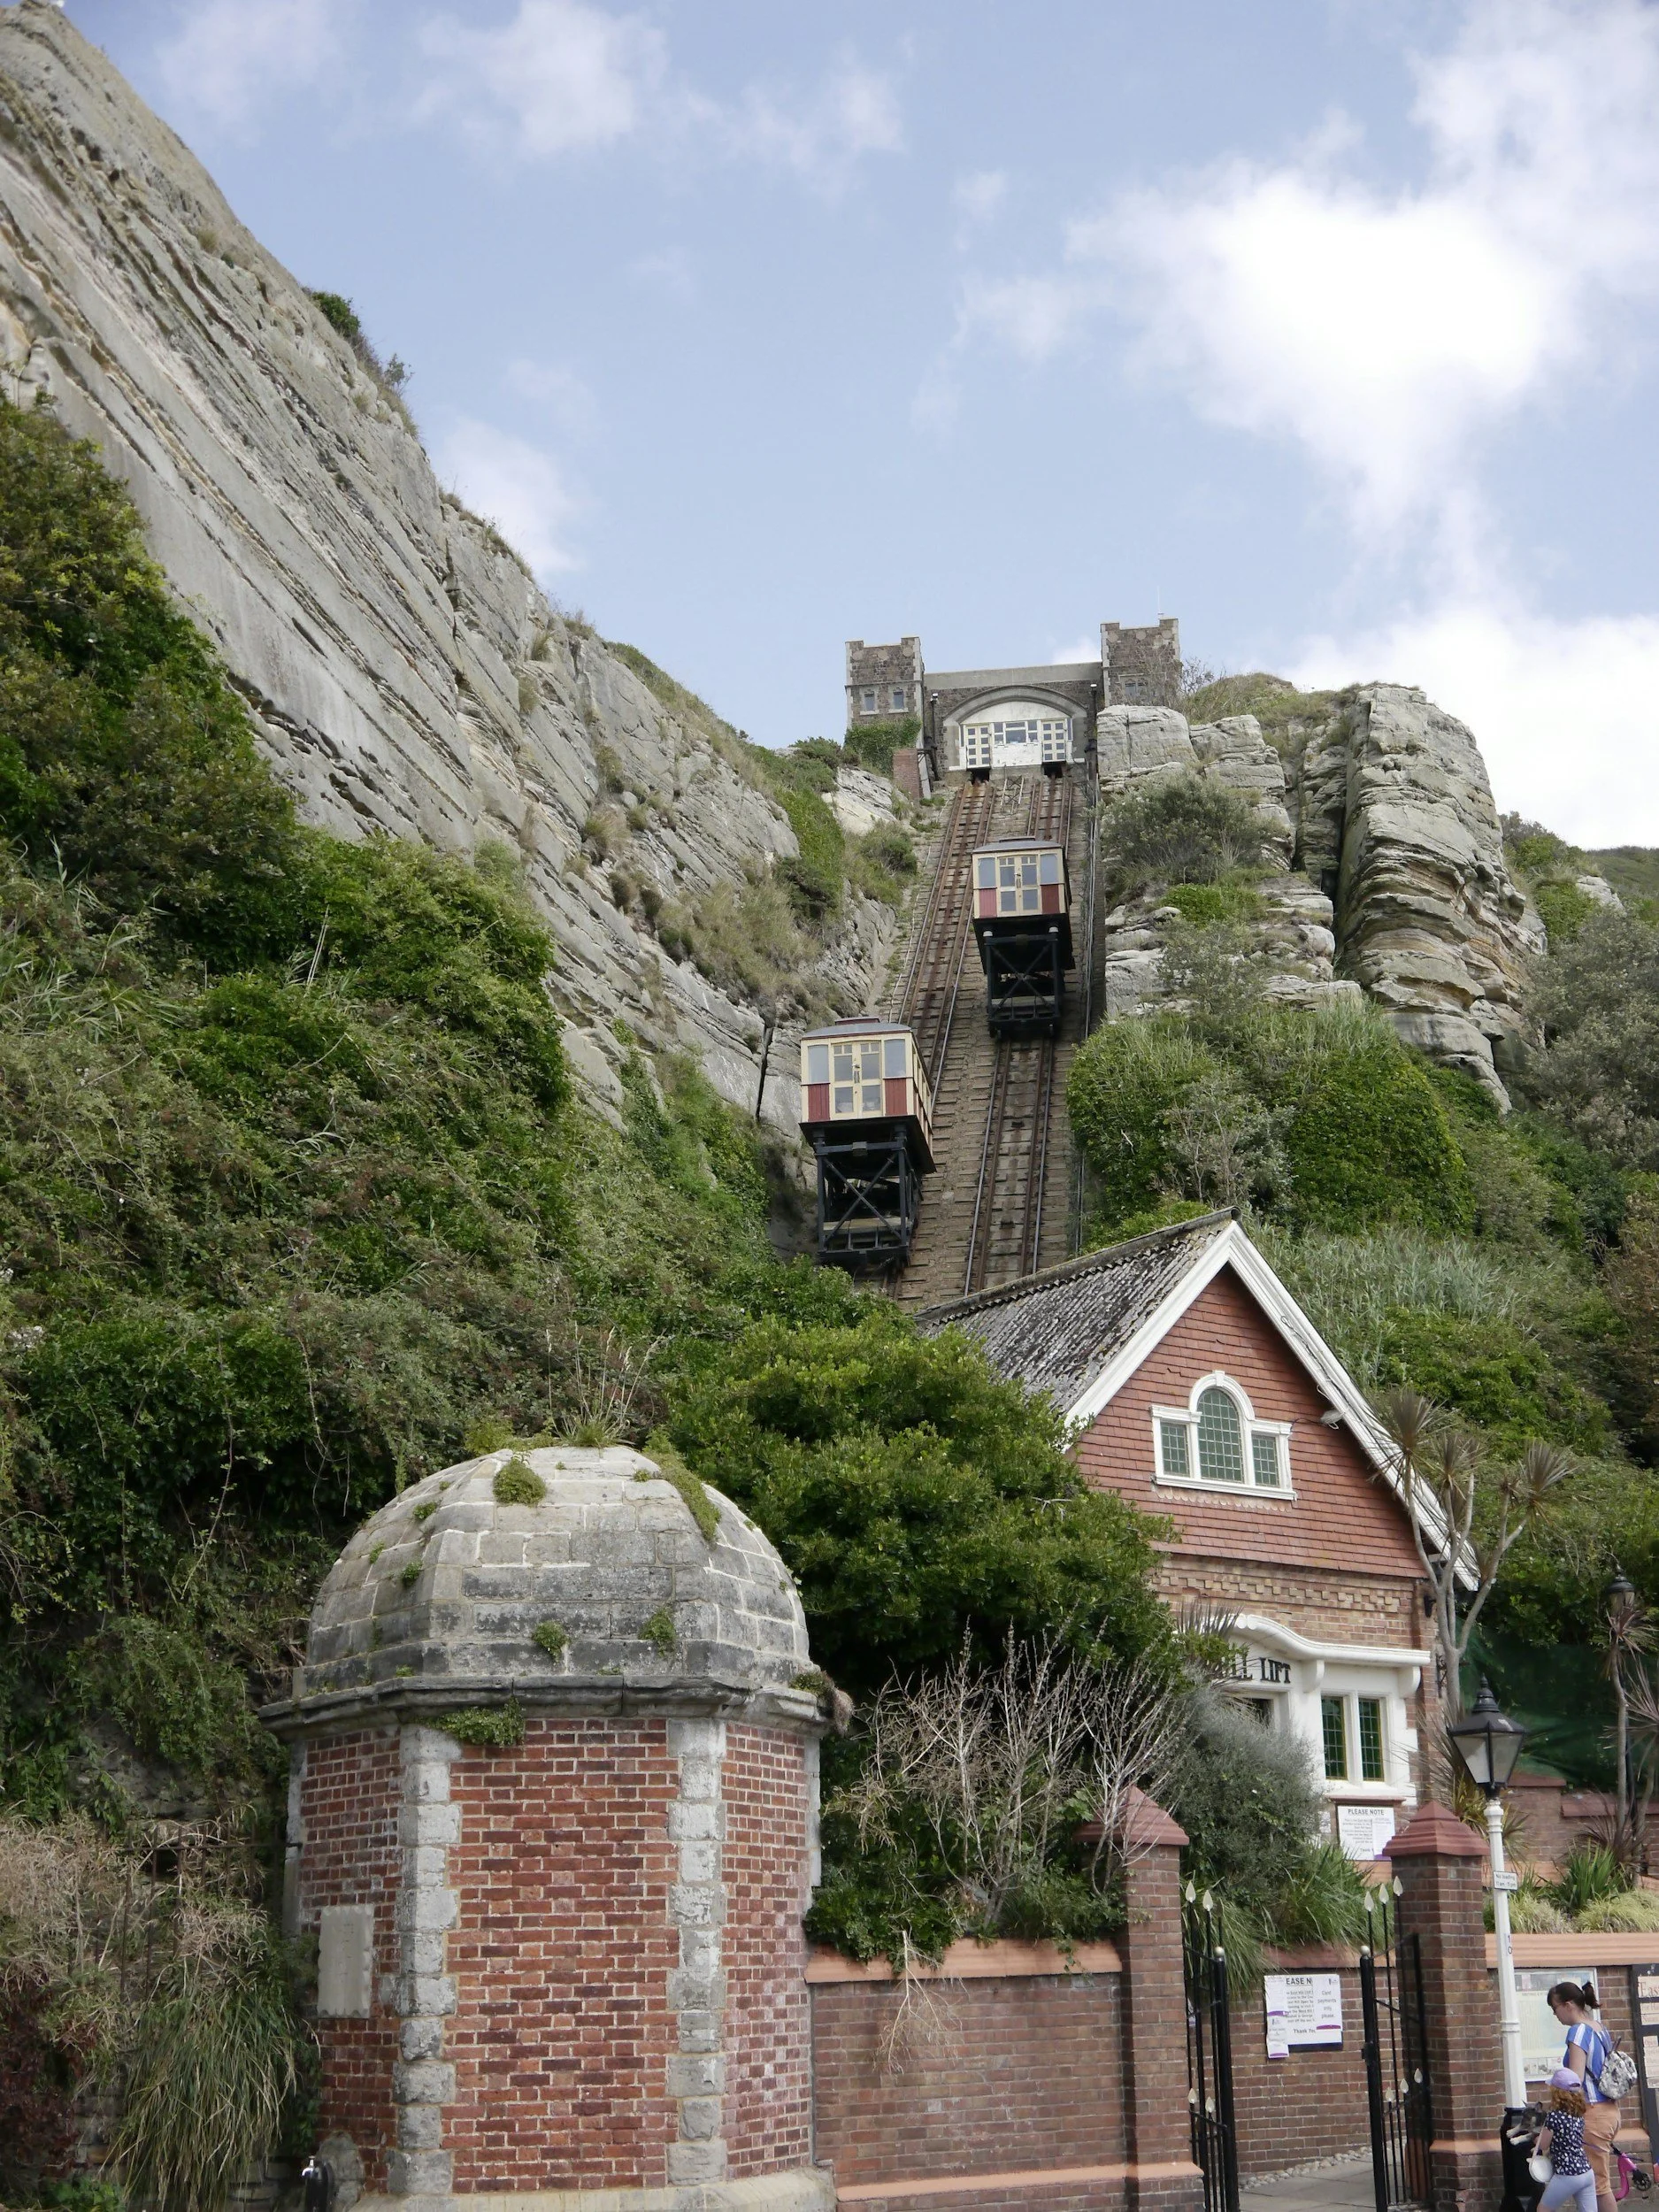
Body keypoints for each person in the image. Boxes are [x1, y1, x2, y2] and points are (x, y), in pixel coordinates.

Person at [1548, 1981, 1621, 2212]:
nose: (1555, 2015)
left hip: (1593, 2113)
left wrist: (1559, 2116)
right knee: (1592, 2183)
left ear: (1568, 2005)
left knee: (1598, 2185)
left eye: (1555, 2008)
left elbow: (1575, 2081)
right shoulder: (1598, 2027)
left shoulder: (1578, 2031)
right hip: (1610, 2111)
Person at [1535, 2070, 1598, 2212]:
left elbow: (1543, 2145)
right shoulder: (1579, 2114)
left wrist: (1536, 2138)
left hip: (1567, 2173)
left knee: (1543, 2210)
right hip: (1586, 2172)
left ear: (1557, 2093)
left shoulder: (1554, 2117)